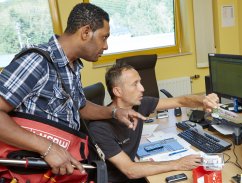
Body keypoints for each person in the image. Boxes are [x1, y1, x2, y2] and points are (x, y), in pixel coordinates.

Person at [0, 3, 145, 176]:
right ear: (85, 32)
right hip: (28, 172)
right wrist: (47, 148)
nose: (106, 46)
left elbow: (80, 107)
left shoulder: (72, 66)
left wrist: (114, 112)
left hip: (59, 170)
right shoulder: (37, 62)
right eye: (104, 37)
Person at [88, 63, 220, 183]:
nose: (142, 88)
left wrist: (204, 100)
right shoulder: (99, 128)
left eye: (140, 82)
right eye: (135, 84)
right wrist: (177, 163)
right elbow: (130, 170)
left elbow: (181, 101)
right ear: (118, 91)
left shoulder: (139, 105)